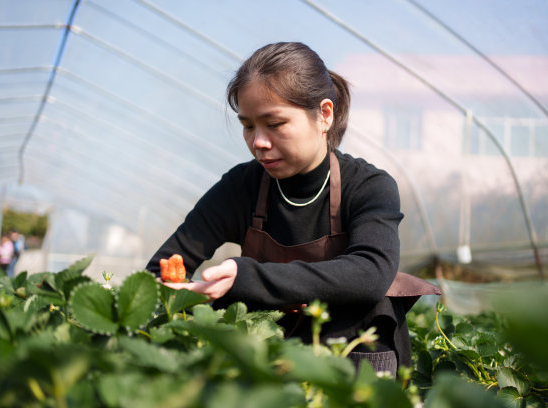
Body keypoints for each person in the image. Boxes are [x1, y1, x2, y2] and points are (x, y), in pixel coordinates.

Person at [146, 42, 439, 374]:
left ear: (324, 114)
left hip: (353, 364)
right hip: (265, 364)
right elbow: (161, 270)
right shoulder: (240, 188)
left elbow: (370, 273)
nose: (258, 141)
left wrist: (246, 277)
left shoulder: (368, 186)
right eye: (248, 125)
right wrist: (191, 295)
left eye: (275, 123)